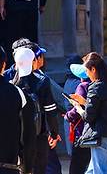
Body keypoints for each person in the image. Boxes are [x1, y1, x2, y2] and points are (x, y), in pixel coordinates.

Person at [69, 53, 107, 174]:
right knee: (92, 171)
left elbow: (88, 116)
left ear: (93, 69)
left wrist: (78, 107)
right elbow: (102, 108)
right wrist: (84, 102)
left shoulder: (95, 87)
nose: (86, 74)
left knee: (100, 171)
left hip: (100, 136)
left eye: (87, 70)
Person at [13, 44, 60, 174]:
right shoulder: (42, 82)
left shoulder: (11, 85)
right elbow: (50, 111)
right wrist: (54, 133)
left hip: (17, 139)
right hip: (39, 137)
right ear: (33, 61)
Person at [0, 43, 36, 174]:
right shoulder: (18, 94)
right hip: (8, 167)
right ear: (4, 64)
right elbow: (28, 135)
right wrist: (28, 168)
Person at [65, 62, 92, 174]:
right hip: (93, 131)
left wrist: (68, 116)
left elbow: (77, 109)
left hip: (81, 132)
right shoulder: (95, 85)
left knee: (77, 166)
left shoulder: (82, 86)